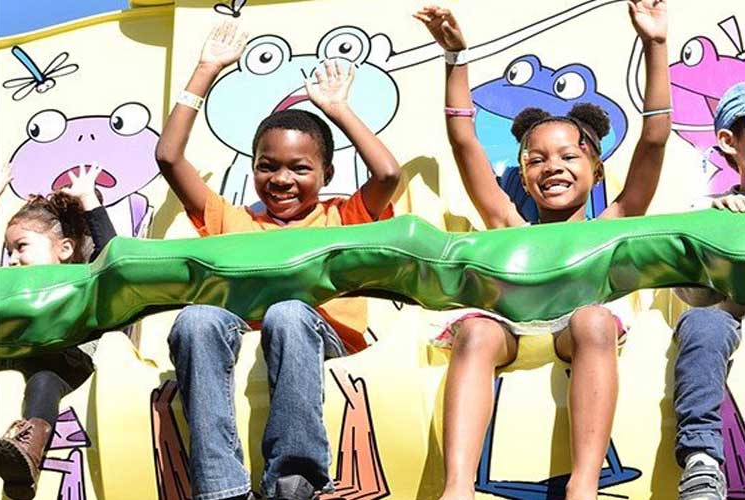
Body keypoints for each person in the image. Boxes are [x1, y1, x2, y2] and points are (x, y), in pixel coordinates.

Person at [414, 2, 670, 499]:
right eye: (536, 159)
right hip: (512, 329)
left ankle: (584, 484)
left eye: (569, 155)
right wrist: (455, 58)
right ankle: (457, 488)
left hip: (575, 331)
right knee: (476, 329)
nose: (552, 166)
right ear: (524, 176)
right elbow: (464, 141)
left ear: (596, 169)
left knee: (593, 319)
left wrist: (656, 45)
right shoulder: (507, 222)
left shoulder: (612, 224)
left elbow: (655, 141)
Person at [154, 20, 400, 500]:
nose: (282, 178)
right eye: (268, 166)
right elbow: (168, 157)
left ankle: (295, 477)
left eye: (300, 167)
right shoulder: (230, 217)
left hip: (321, 338)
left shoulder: (343, 214)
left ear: (326, 172)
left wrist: (336, 108)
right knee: (196, 319)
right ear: (252, 168)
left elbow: (387, 172)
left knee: (288, 312)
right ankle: (220, 487)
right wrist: (205, 71)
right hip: (245, 337)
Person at [0, 164, 117, 500]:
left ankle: (25, 455)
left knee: (44, 376)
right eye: (8, 251)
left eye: (21, 247)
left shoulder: (80, 281)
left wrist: (89, 200)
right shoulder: (9, 288)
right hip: (11, 363)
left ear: (63, 249)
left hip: (62, 365)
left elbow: (116, 262)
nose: (13, 259)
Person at [673, 82, 745, 500]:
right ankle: (702, 460)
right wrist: (715, 237)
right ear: (729, 141)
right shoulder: (709, 212)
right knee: (702, 324)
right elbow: (694, 298)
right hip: (728, 316)